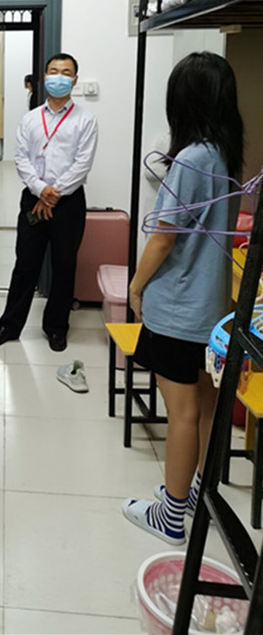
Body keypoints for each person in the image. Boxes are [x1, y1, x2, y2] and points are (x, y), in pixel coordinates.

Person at [122, 52, 243, 546]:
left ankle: (170, 516)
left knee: (183, 413)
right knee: (207, 408)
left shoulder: (192, 158)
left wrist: (135, 286)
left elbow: (163, 237)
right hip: (210, 308)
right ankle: (194, 493)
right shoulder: (225, 155)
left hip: (177, 308)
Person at [0, 53, 98, 352]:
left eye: (66, 72)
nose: (59, 77)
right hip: (33, 198)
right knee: (25, 264)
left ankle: (57, 327)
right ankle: (9, 326)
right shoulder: (31, 118)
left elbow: (82, 163)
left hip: (68, 202)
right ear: (45, 77)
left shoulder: (85, 120)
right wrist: (40, 189)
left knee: (64, 265)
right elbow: (21, 158)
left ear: (74, 80)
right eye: (54, 71)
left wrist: (54, 193)